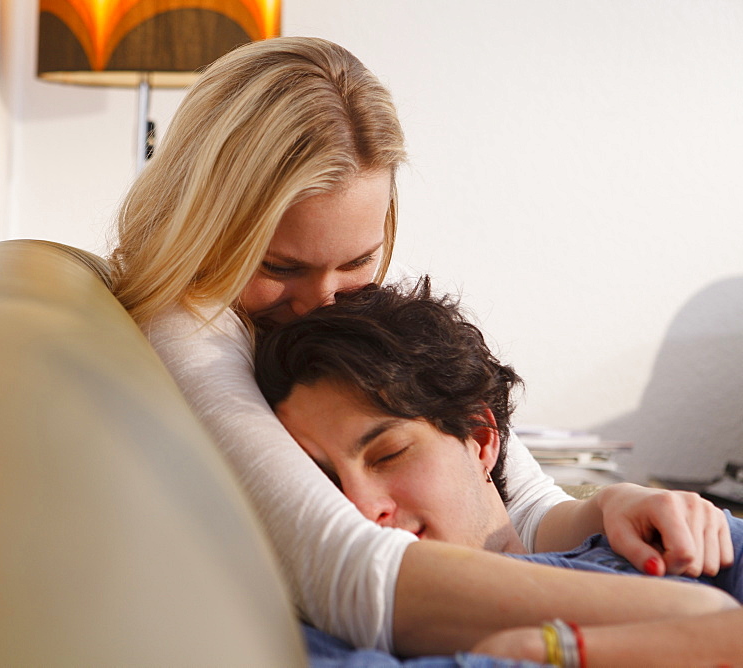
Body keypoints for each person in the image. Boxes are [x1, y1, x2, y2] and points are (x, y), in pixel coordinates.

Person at [107, 36, 734, 656]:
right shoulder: (188, 328)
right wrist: (693, 618)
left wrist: (616, 503)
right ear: (208, 226)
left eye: (357, 260)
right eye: (281, 267)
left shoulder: (326, 328)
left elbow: (520, 500)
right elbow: (349, 572)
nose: (324, 301)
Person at [253, 280, 742, 664]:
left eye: (388, 455)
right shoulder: (323, 638)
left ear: (481, 438)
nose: (360, 507)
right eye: (327, 483)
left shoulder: (659, 542)